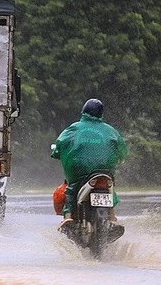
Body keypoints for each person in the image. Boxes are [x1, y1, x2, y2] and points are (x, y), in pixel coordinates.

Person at [51, 98, 127, 242]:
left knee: (71, 189)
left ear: (83, 112)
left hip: (79, 172)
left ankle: (68, 218)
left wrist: (56, 152)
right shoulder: (111, 131)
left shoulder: (73, 128)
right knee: (110, 188)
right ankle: (112, 219)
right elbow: (122, 151)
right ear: (101, 114)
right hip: (105, 172)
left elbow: (59, 144)